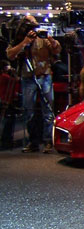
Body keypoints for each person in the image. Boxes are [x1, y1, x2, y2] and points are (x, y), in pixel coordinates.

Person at [6, 15, 61, 153]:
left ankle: (48, 141)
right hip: (27, 77)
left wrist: (51, 40)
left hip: (44, 75)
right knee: (28, 111)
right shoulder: (19, 39)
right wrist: (24, 42)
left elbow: (57, 50)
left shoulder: (42, 38)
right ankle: (33, 141)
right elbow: (10, 54)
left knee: (48, 110)